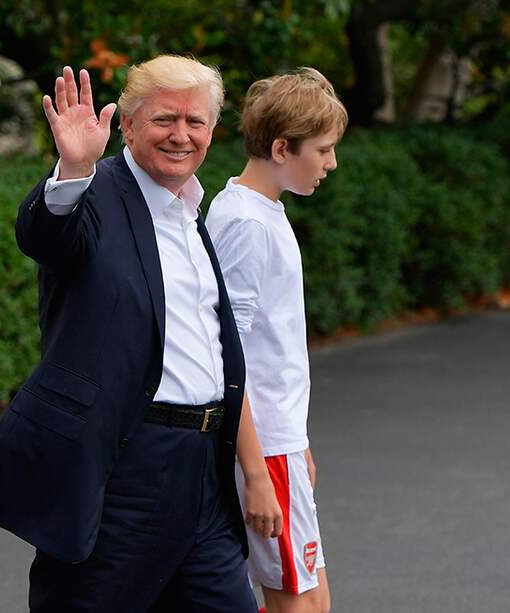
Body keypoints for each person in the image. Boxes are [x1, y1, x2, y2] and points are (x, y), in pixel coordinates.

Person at [0, 55, 282, 612]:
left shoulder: (191, 212)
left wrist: (254, 470)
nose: (181, 135)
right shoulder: (94, 197)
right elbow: (46, 235)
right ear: (126, 127)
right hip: (122, 472)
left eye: (195, 121)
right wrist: (74, 169)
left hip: (203, 471)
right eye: (163, 120)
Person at [206, 67, 348, 613]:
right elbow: (228, 356)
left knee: (304, 596)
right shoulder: (247, 222)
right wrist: (258, 469)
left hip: (277, 443)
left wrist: (297, 440)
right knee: (302, 602)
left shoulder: (256, 211)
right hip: (263, 449)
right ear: (283, 147)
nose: (331, 163)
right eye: (324, 149)